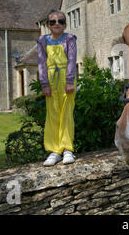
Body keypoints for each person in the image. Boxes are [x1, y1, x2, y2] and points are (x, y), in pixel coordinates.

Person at [37, 9, 77, 166]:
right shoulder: (42, 41)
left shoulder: (70, 39)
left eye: (60, 21)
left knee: (66, 113)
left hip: (66, 79)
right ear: (48, 25)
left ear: (65, 24)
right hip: (51, 80)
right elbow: (41, 63)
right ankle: (54, 151)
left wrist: (69, 80)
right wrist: (44, 84)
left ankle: (67, 149)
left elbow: (72, 60)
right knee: (53, 114)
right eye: (53, 21)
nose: (57, 24)